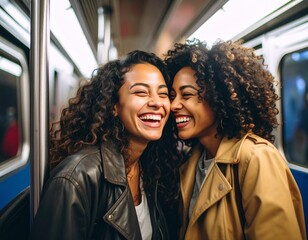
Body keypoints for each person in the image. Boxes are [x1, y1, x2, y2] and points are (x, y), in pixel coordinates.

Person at [30, 50, 181, 240]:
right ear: (114, 106)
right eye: (141, 92)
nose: (157, 103)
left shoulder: (151, 169)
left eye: (163, 94)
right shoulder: (76, 178)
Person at [165, 39, 306, 240]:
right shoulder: (192, 162)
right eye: (172, 96)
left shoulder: (257, 158)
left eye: (186, 95)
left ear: (218, 97)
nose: (173, 106)